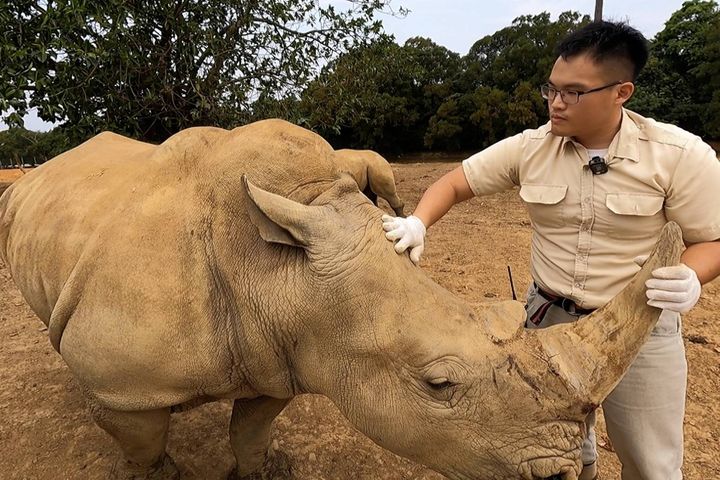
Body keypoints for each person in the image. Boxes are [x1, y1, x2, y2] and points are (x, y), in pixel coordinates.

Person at [382, 21, 720, 480]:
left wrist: (690, 275)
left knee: (652, 465)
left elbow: (712, 240)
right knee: (555, 450)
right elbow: (457, 181)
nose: (556, 103)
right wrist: (418, 221)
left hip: (638, 326)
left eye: (573, 92)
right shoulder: (532, 148)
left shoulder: (679, 155)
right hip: (548, 321)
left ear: (622, 92)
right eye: (552, 89)